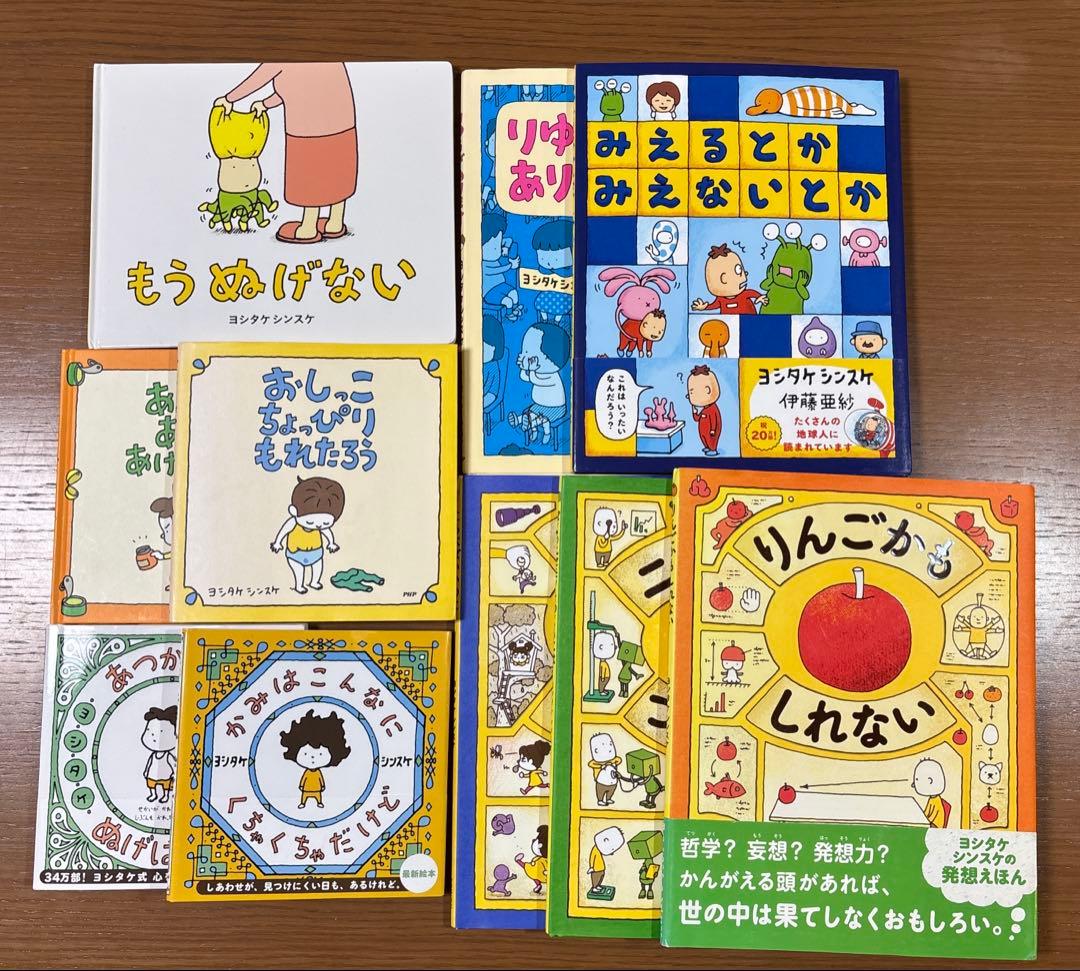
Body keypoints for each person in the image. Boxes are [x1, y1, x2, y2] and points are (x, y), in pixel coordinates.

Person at [216, 63, 357, 243]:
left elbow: (261, 76)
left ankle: (308, 228)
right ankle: (335, 223)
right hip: (344, 125)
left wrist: (229, 99)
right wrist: (265, 104)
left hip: (306, 130)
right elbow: (294, 89)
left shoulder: (284, 59)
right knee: (335, 171)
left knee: (311, 176)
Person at [270, 476, 345, 594]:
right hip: (295, 554)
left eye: (325, 523)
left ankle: (314, 582)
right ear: (294, 511)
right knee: (298, 570)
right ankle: (299, 585)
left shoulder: (320, 527)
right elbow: (284, 531)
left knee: (318, 567)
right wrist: (277, 543)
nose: (318, 525)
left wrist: (331, 543)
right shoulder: (293, 522)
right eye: (310, 522)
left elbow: (326, 532)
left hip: (316, 552)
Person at [279, 709, 352, 809]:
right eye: (305, 753)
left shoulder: (317, 773)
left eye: (320, 754)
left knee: (318, 796)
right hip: (306, 789)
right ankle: (303, 803)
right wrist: (301, 786)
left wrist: (322, 786)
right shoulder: (307, 772)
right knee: (304, 796)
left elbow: (320, 779)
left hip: (317, 789)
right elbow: (304, 779)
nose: (312, 757)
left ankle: (319, 802)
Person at [691, 244, 765, 314]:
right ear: (724, 279)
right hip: (729, 321)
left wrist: (760, 297)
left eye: (740, 269)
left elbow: (752, 293)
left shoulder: (744, 294)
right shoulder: (720, 299)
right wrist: (704, 307)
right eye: (738, 271)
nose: (745, 274)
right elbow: (713, 306)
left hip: (749, 319)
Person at [141, 705, 178, 803]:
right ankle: (153, 794)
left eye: (162, 733)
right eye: (150, 732)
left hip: (166, 775)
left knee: (166, 786)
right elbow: (149, 763)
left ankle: (166, 796)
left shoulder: (168, 756)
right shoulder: (153, 755)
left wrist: (174, 773)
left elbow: (174, 764)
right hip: (152, 774)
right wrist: (146, 771)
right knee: (151, 784)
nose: (154, 737)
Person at [687, 365, 723, 455]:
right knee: (704, 438)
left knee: (711, 439)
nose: (690, 396)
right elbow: (697, 419)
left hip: (711, 431)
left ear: (707, 390)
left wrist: (713, 430)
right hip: (703, 430)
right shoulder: (704, 409)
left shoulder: (712, 408)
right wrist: (694, 411)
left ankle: (713, 449)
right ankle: (707, 446)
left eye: (692, 392)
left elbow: (714, 420)